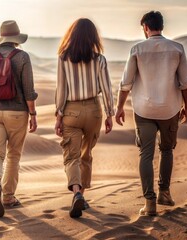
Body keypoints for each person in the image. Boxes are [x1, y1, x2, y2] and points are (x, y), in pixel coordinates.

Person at [115, 11, 187, 216]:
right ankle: (164, 193)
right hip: (170, 109)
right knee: (167, 150)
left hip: (144, 109)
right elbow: (186, 82)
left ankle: (150, 203)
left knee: (146, 154)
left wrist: (119, 107)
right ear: (162, 27)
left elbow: (126, 84)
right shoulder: (177, 49)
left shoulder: (137, 49)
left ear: (145, 28)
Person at [0, 20, 38, 218]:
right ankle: (8, 197)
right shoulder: (22, 57)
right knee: (13, 155)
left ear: (2, 37)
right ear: (16, 39)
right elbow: (29, 90)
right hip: (18, 113)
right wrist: (33, 114)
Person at [55, 18, 114, 218]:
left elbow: (61, 90)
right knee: (86, 155)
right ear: (93, 37)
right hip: (94, 110)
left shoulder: (63, 58)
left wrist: (58, 115)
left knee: (71, 156)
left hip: (71, 110)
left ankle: (77, 193)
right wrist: (110, 114)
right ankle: (80, 196)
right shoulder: (100, 59)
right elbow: (107, 89)